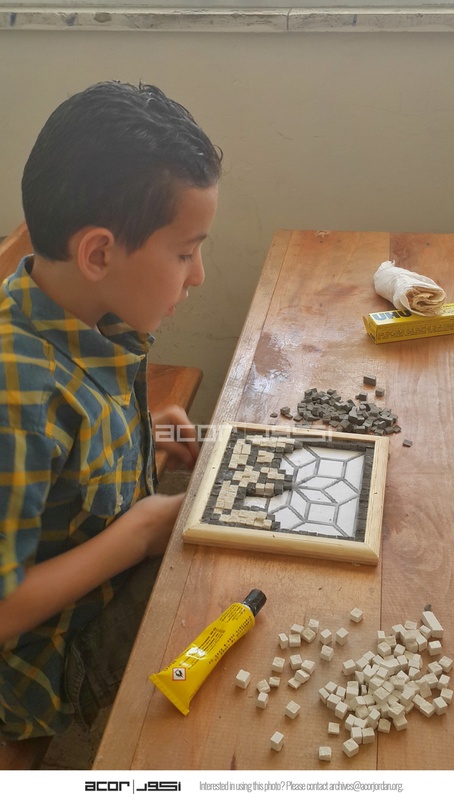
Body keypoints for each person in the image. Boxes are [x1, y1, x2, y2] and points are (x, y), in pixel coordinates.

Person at [0, 81, 222, 739]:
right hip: (47, 665)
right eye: (184, 252)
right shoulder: (16, 395)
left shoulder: (78, 314)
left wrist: (137, 436)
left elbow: (61, 473)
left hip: (93, 589)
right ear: (98, 252)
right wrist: (140, 535)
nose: (199, 275)